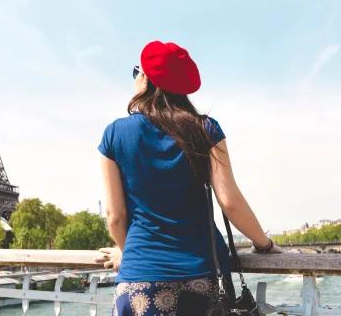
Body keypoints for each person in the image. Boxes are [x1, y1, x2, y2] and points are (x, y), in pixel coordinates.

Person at [95, 41, 282, 315]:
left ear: (147, 78)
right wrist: (263, 243)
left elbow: (115, 217)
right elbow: (229, 202)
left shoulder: (114, 134)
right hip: (201, 278)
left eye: (137, 70)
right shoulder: (206, 129)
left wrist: (132, 251)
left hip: (138, 282)